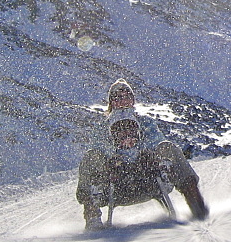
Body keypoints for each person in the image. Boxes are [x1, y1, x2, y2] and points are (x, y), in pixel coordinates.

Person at [76, 79, 209, 229]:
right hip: (115, 183)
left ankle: (196, 203)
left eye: (126, 96)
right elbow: (98, 146)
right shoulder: (102, 128)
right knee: (90, 157)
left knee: (169, 148)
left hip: (148, 178)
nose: (122, 101)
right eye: (117, 98)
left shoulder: (145, 123)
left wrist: (149, 153)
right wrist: (111, 158)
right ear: (111, 102)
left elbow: (157, 140)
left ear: (132, 100)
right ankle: (92, 215)